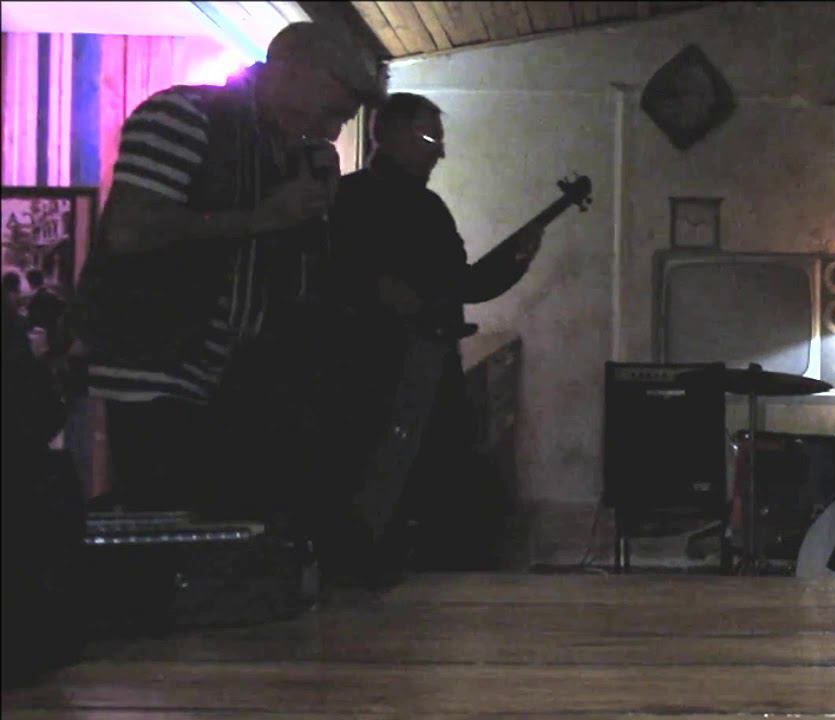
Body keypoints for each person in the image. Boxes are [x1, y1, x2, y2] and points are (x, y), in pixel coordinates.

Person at [74, 22, 383, 520]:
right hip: (155, 359)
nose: (330, 132)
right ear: (295, 71)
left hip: (224, 371)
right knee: (168, 520)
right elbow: (130, 230)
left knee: (219, 525)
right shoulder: (185, 115)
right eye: (332, 113)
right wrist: (265, 217)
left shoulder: (280, 150)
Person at [326, 92, 543, 585]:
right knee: (378, 493)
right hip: (373, 376)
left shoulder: (427, 207)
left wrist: (515, 261)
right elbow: (339, 278)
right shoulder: (351, 199)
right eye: (429, 138)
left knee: (430, 494)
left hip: (429, 367)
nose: (439, 151)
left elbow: (461, 284)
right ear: (391, 136)